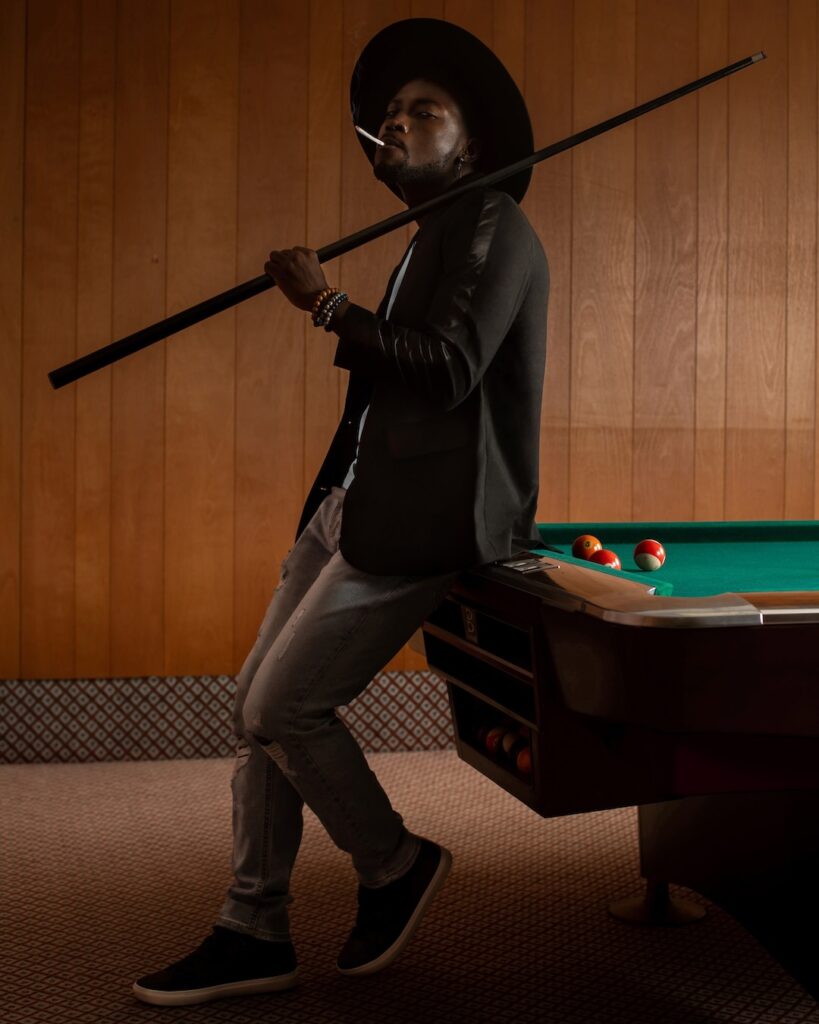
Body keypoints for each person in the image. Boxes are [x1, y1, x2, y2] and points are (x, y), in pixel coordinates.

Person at [133, 17, 549, 1007]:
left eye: (423, 112)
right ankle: (253, 926)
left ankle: (394, 864)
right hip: (353, 508)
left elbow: (449, 370)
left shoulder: (494, 223)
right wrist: (324, 499)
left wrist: (326, 305)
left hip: (430, 518)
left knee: (281, 706)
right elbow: (384, 399)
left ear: (474, 143)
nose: (396, 127)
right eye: (389, 118)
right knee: (257, 714)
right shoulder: (430, 235)